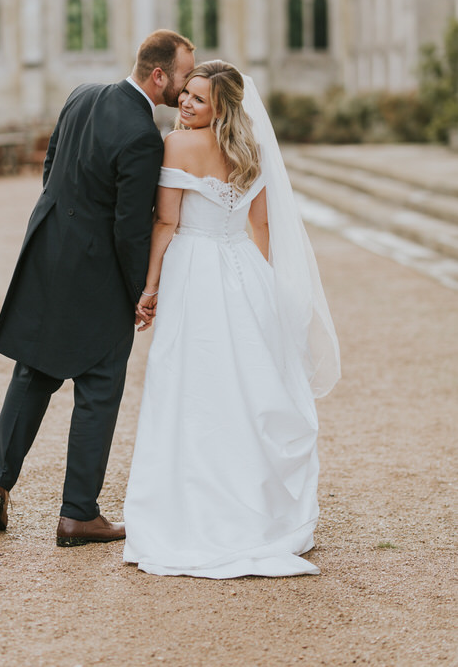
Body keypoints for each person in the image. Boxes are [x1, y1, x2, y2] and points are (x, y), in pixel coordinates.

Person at [0, 29, 195, 546]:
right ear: (158, 74)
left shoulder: (81, 94)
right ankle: (78, 514)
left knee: (32, 373)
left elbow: (51, 169)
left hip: (47, 256)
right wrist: (141, 290)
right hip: (97, 276)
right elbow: (129, 227)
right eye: (184, 76)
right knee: (98, 388)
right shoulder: (143, 134)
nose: (185, 89)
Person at [123, 60, 341, 578]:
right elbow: (261, 225)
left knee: (190, 385)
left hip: (195, 273)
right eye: (186, 94)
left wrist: (150, 288)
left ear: (221, 105)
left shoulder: (176, 146)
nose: (186, 103)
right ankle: (256, 503)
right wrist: (263, 288)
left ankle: (194, 506)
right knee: (246, 386)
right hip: (242, 268)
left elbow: (166, 223)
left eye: (198, 98)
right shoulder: (254, 151)